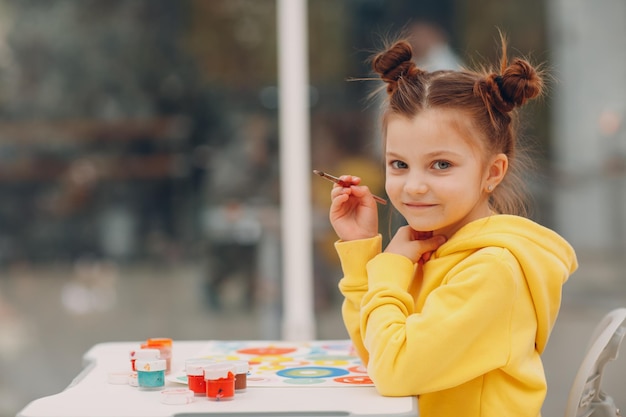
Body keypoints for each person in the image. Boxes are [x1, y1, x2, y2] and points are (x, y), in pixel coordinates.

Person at [326, 34, 578, 417]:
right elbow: (377, 353)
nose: (414, 185)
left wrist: (390, 268)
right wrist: (363, 249)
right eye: (399, 164)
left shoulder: (492, 269)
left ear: (492, 172)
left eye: (441, 165)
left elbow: (395, 371)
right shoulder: (431, 247)